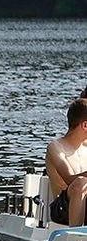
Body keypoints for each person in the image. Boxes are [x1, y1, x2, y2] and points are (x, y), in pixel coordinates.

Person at [46, 97, 87, 227]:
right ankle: (75, 234)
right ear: (85, 125)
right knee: (81, 183)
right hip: (62, 208)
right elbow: (70, 180)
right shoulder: (56, 147)